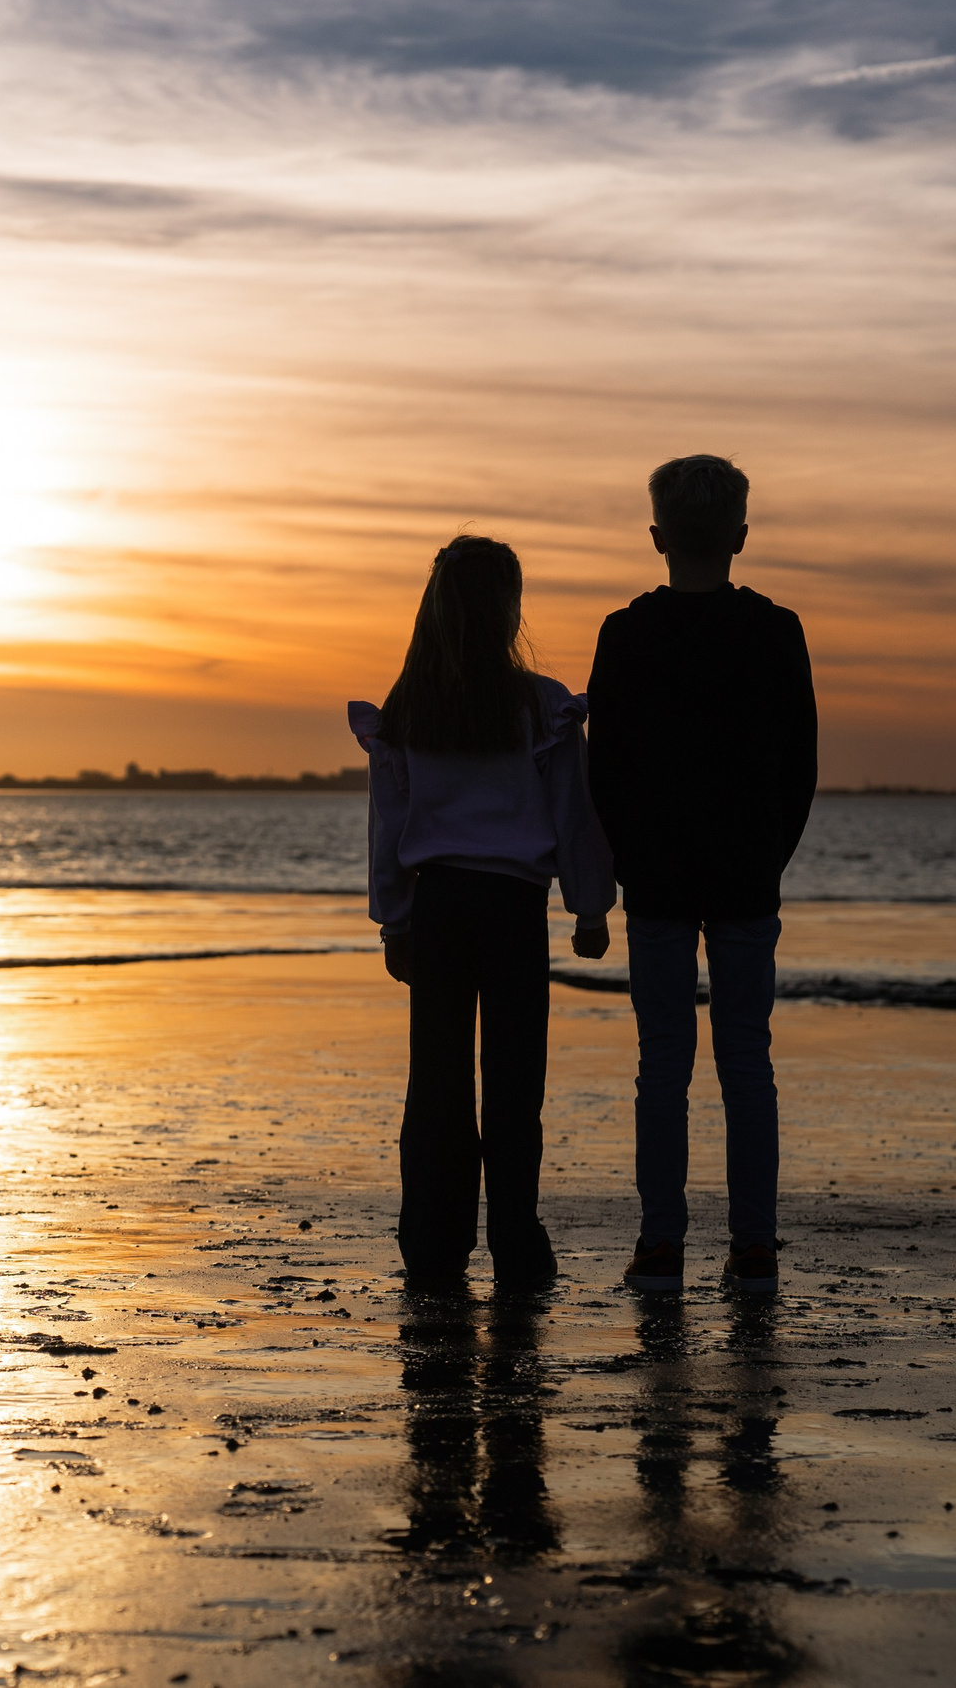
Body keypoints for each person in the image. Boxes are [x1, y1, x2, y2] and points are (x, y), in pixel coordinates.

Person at [350, 535, 614, 1290]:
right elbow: (572, 815)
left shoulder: (413, 707)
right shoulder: (536, 705)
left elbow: (388, 829)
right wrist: (589, 906)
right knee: (513, 1081)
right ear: (508, 611)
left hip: (437, 906)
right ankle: (515, 1238)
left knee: (435, 1081)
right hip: (511, 911)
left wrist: (393, 920)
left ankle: (433, 1239)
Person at [587, 455, 816, 1296]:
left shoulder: (627, 633)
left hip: (659, 879)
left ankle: (661, 1243)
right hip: (744, 876)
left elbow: (603, 768)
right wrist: (768, 854)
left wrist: (623, 862)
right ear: (741, 537)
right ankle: (752, 1245)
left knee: (663, 1066)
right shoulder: (775, 630)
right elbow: (801, 765)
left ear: (657, 538)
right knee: (745, 1062)